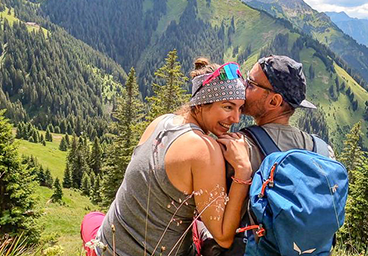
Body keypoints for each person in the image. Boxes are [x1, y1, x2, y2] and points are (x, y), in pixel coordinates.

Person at [80, 59, 253, 256]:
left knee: (92, 218)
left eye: (240, 109)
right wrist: (243, 170)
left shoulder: (161, 121)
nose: (236, 119)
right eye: (228, 107)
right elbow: (223, 236)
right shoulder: (204, 149)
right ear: (201, 103)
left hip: (104, 247)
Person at [201, 55, 335, 256]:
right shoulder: (324, 152)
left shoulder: (237, 147)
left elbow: (213, 220)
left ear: (274, 100)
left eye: (251, 84)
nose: (243, 86)